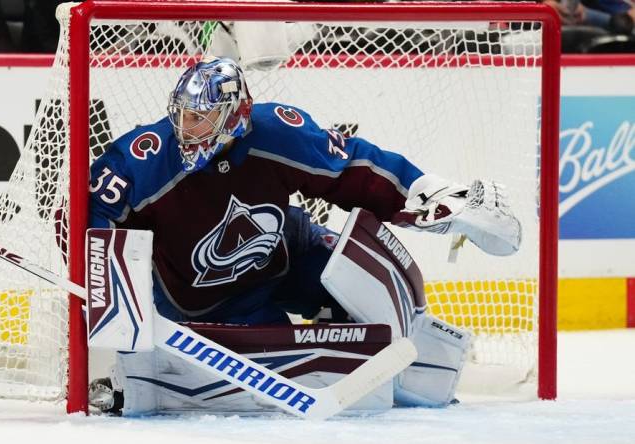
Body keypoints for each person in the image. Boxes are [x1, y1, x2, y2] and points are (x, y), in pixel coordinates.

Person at [87, 57, 521, 415]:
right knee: (284, 381)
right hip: (212, 301)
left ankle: (413, 354)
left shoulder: (276, 131)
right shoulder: (141, 160)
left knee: (359, 270)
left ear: (237, 115)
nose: (188, 128)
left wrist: (426, 195)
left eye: (202, 118)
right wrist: (121, 296)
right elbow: (88, 219)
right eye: (184, 115)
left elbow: (353, 169)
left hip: (290, 251)